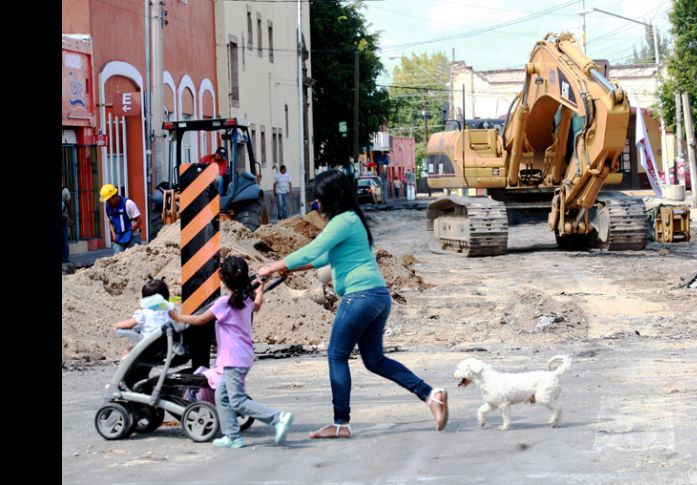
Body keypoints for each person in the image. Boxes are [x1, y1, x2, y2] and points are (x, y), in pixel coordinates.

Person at [257, 170, 448, 439]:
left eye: (318, 200)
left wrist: (271, 266)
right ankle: (431, 395)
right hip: (377, 296)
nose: (316, 205)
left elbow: (312, 250)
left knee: (337, 355)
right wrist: (290, 269)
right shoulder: (352, 220)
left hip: (360, 297)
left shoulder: (343, 220)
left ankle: (340, 423)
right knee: (374, 360)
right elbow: (323, 257)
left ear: (330, 198)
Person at [170, 256, 294, 449]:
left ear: (222, 279)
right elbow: (258, 306)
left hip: (233, 360)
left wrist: (177, 316)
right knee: (222, 397)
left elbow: (201, 320)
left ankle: (277, 417)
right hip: (241, 357)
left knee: (237, 400)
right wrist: (260, 290)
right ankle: (232, 436)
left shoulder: (224, 302)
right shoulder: (245, 299)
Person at [114, 276, 173, 356]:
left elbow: (127, 324)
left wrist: (116, 325)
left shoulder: (144, 314)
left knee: (128, 350)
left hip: (149, 349)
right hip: (167, 349)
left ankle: (127, 367)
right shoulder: (170, 312)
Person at [100, 184, 143, 254]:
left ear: (114, 197)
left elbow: (139, 221)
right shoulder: (108, 207)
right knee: (117, 258)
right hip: (119, 237)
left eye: (108, 200)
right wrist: (113, 235)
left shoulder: (128, 204)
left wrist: (130, 231)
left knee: (132, 257)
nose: (107, 203)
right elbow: (110, 222)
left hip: (132, 236)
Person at [62, 182, 71, 264]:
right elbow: (68, 204)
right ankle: (65, 257)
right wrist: (70, 217)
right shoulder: (65, 191)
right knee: (64, 237)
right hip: (63, 216)